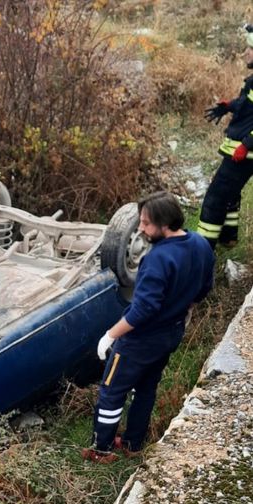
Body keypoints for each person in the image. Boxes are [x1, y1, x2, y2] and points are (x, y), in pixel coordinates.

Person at [82, 192, 214, 463]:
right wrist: (184, 309)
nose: (140, 228)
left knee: (111, 390)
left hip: (140, 340)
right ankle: (133, 443)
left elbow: (143, 309)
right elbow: (204, 287)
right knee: (146, 388)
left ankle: (101, 449)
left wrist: (110, 335)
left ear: (164, 223)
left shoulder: (157, 259)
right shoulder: (200, 244)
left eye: (145, 223)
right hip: (171, 334)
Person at [196, 28, 253, 249]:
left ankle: (201, 248)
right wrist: (229, 106)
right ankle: (227, 237)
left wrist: (246, 145)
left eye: (250, 48)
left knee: (215, 197)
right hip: (242, 151)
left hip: (244, 152)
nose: (246, 53)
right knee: (231, 193)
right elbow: (248, 105)